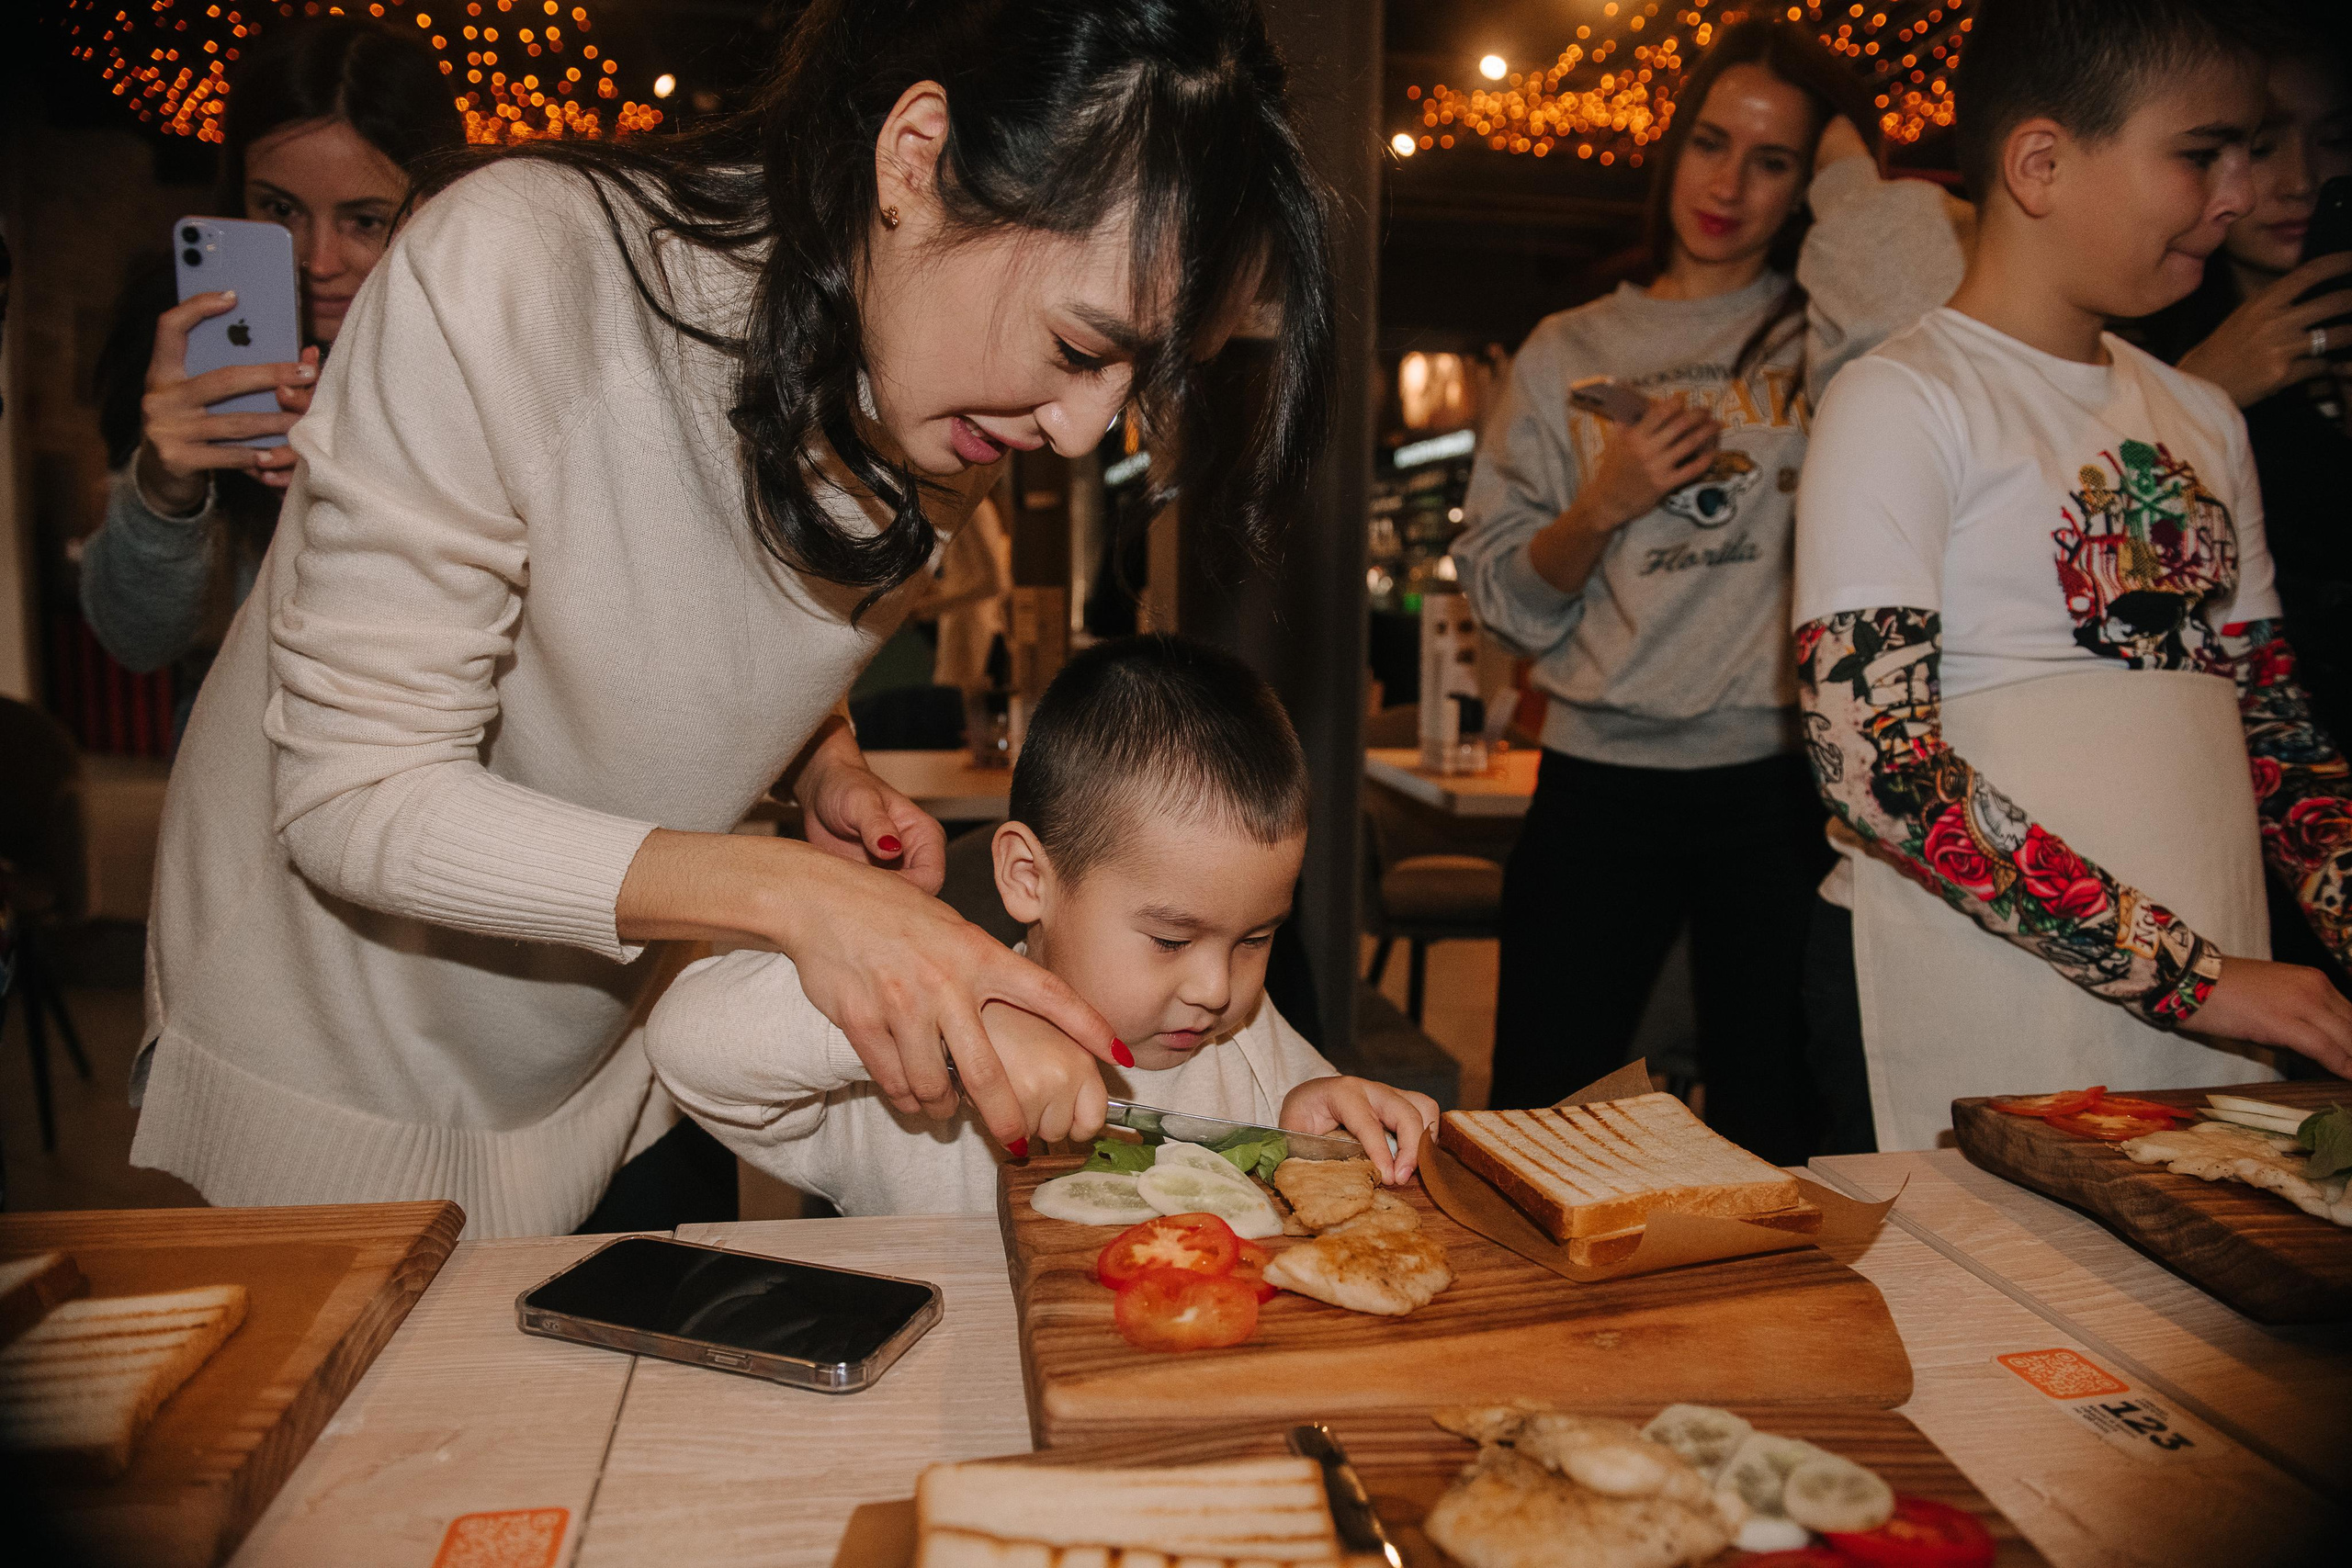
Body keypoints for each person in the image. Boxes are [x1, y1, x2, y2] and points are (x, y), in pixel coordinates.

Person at [133, 0, 1334, 1239]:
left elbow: (680, 582)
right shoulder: (510, 268)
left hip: (617, 1033)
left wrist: (819, 753)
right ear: (916, 157)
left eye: (1135, 378)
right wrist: (794, 897)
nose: (1083, 432)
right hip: (329, 1033)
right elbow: (355, 796)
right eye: (1081, 345)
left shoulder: (947, 386)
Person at [1793, 0, 2352, 1155]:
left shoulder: (2202, 413)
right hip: (1978, 997)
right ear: (2040, 164)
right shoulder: (1902, 399)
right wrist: (2193, 977)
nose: (2238, 193)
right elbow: (1873, 762)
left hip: (2213, 1002)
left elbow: (2277, 733)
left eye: (2244, 154)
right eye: (2200, 154)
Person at [1451, 17, 1967, 1162]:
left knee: (1780, 1122)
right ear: (1668, 147)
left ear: (1805, 185)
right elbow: (1499, 596)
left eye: (1773, 159)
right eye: (1710, 142)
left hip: (1779, 784)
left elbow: (1929, 308)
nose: (1729, 184)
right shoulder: (1566, 348)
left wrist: (1847, 161)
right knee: (1539, 1113)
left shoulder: (1826, 336)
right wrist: (1603, 503)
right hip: (1598, 778)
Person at [647, 636, 1441, 1214]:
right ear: (1030, 878)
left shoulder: (1246, 1034)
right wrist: (965, 1026)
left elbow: (1301, 1132)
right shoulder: (914, 1055)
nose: (1217, 986)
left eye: (1257, 939)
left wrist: (1315, 1120)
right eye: (1171, 938)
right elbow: (684, 1037)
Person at [82, 19, 465, 737]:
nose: (319, 261)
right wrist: (163, 492)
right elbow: (135, 641)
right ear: (237, 198)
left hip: (430, 772)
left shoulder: (485, 351)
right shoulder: (184, 344)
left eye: (366, 221)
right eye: (280, 210)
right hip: (238, 779)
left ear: (437, 210)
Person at [2135, 18, 2352, 1004]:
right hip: (2236, 770)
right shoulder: (2139, 338)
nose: (2297, 179)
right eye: (2261, 145)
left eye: (2333, 141)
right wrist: (2198, 391)